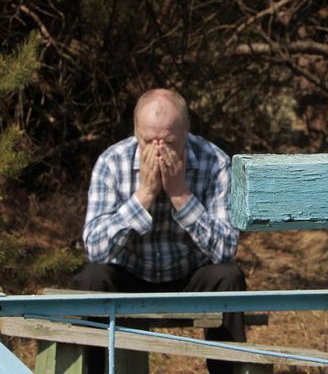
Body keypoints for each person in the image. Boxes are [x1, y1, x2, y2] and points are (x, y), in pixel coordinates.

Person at [74, 88, 245, 374]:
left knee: (229, 277)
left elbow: (226, 248)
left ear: (187, 131)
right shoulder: (111, 162)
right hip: (128, 275)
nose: (159, 151)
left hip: (189, 275)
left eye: (169, 142)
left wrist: (181, 196)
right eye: (148, 141)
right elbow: (95, 247)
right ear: (135, 132)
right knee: (92, 278)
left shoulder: (214, 162)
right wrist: (143, 197)